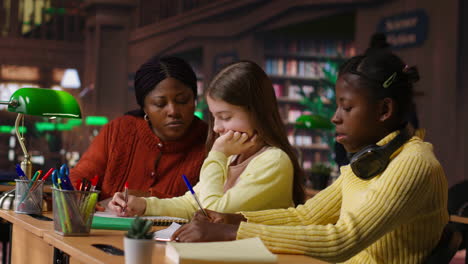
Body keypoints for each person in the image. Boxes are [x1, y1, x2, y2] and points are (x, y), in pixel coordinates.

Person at [172, 51, 449, 264]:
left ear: (384, 110)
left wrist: (232, 233)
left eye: (347, 107)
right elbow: (307, 216)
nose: (335, 117)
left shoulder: (414, 162)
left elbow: (342, 240)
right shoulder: (372, 158)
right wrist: (233, 219)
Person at [108, 60, 305, 219]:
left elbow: (212, 212)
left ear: (256, 113)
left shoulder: (274, 161)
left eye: (226, 117)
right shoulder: (233, 155)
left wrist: (217, 154)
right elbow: (193, 203)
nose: (218, 127)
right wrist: (143, 205)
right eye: (214, 117)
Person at [70, 56, 208, 200]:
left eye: (182, 100)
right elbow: (78, 180)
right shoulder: (118, 131)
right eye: (160, 104)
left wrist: (145, 200)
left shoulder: (211, 143)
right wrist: (88, 203)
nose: (173, 111)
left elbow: (212, 206)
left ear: (194, 100)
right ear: (145, 108)